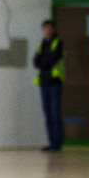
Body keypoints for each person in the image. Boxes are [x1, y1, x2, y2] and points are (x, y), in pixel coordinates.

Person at [33, 20, 65, 151]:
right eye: (45, 29)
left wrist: (44, 61)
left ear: (53, 29)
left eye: (49, 28)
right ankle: (51, 142)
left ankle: (57, 143)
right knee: (47, 113)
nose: (47, 31)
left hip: (55, 83)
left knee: (55, 112)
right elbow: (36, 62)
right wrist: (45, 61)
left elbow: (53, 59)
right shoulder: (42, 45)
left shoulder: (58, 43)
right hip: (44, 83)